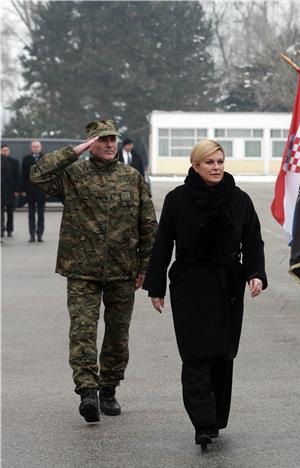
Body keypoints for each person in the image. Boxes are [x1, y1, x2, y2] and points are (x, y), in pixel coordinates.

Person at [30, 120, 157, 422]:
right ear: (90, 144)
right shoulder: (73, 176)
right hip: (82, 270)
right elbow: (38, 174)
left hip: (122, 271)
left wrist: (145, 268)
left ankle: (108, 389)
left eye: (113, 139)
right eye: (102, 140)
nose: (110, 144)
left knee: (116, 335)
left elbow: (148, 226)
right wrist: (75, 152)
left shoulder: (132, 177)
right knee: (83, 331)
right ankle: (87, 392)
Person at [143, 139, 267, 449]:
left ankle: (216, 418)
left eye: (220, 161)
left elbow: (253, 240)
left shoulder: (239, 200)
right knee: (196, 354)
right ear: (195, 165)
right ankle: (203, 422)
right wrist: (156, 286)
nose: (216, 167)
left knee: (223, 355)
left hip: (227, 283)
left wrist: (255, 273)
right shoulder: (177, 200)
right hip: (190, 282)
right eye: (210, 162)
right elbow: (163, 244)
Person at [21, 140, 46, 242]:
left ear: (40, 147)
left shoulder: (45, 158)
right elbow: (23, 175)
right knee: (31, 214)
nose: (36, 148)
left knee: (41, 214)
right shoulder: (26, 159)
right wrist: (22, 190)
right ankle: (32, 235)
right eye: (34, 146)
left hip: (41, 190)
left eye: (37, 146)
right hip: (30, 190)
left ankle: (39, 235)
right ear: (31, 148)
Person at [1, 144, 20, 238]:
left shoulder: (14, 162)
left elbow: (17, 177)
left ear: (9, 151)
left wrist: (17, 190)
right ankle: (1, 230)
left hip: (11, 191)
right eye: (3, 150)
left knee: (10, 212)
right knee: (1, 213)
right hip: (1, 191)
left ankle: (9, 230)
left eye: (6, 150)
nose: (5, 152)